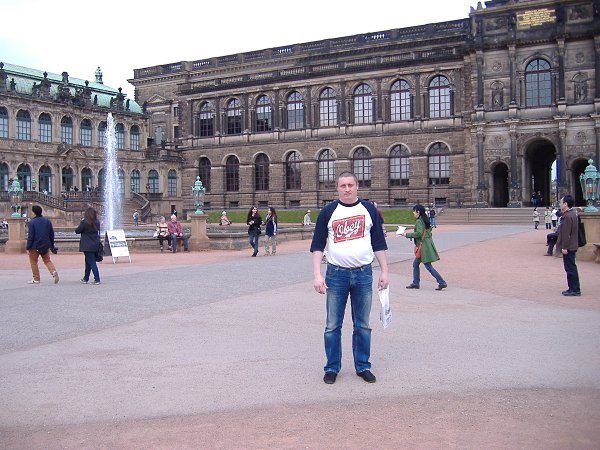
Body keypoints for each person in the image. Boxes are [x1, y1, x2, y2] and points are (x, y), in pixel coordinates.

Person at [310, 171, 389, 385]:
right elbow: (317, 245)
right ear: (337, 188)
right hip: (336, 274)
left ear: (357, 186)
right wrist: (317, 275)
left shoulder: (369, 210)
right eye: (343, 185)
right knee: (332, 325)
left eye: (350, 185)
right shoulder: (328, 211)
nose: (347, 189)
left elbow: (378, 243)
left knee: (362, 324)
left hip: (363, 273)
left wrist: (384, 271)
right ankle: (332, 367)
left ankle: (363, 366)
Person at [401, 204, 447, 291]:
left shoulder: (419, 221)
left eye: (414, 211)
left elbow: (419, 233)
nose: (413, 213)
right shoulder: (425, 220)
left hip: (423, 247)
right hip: (426, 245)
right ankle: (416, 283)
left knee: (428, 266)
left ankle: (441, 282)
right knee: (416, 264)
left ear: (418, 212)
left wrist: (406, 234)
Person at [25, 205, 59, 284]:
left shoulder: (32, 222)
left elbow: (31, 236)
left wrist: (28, 247)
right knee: (47, 260)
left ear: (34, 212)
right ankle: (53, 271)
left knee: (33, 262)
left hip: (34, 245)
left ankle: (36, 278)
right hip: (45, 245)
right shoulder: (47, 221)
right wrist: (52, 245)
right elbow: (51, 234)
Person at [556, 195, 581, 296]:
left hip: (569, 246)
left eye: (561, 202)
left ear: (565, 204)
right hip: (572, 245)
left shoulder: (567, 216)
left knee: (570, 268)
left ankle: (574, 289)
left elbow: (566, 234)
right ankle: (573, 288)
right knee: (571, 267)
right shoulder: (572, 214)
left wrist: (564, 247)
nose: (560, 204)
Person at [75, 207, 101, 285]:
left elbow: (77, 231)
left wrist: (81, 222)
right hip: (95, 244)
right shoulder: (97, 222)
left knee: (92, 262)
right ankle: (86, 278)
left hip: (87, 245)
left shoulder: (84, 222)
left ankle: (97, 279)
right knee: (88, 261)